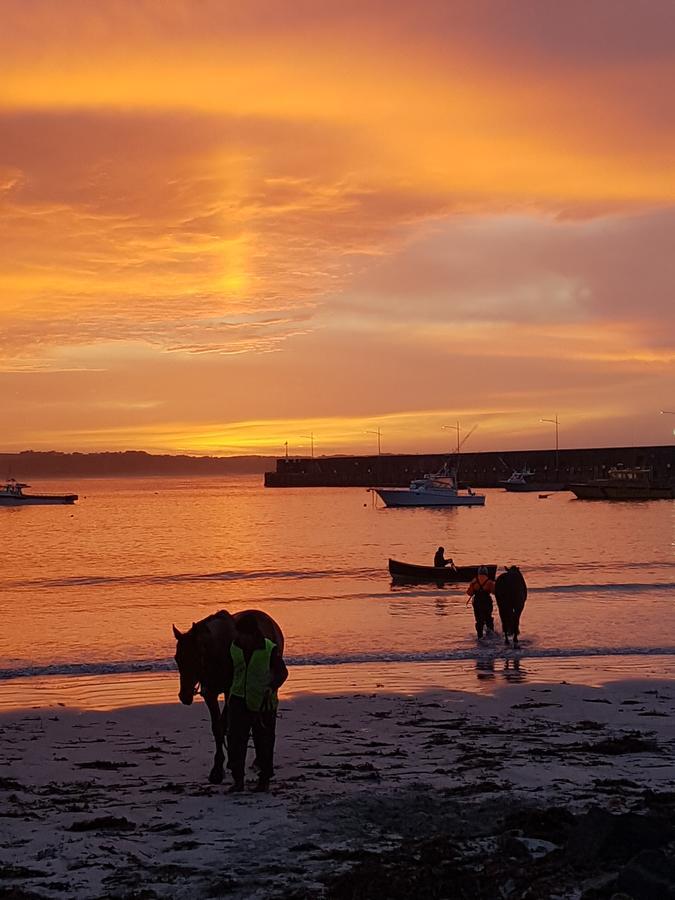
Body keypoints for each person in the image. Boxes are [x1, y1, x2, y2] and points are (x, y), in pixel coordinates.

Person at [224, 612, 288, 793]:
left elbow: (282, 673)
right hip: (238, 700)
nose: (238, 638)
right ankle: (238, 781)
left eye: (241, 634)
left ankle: (264, 780)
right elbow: (230, 673)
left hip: (264, 703)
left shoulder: (270, 649)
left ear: (251, 634)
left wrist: (272, 687)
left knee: (264, 743)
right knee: (236, 742)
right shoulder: (234, 648)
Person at [467, 565, 496, 638]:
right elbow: (494, 592)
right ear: (486, 572)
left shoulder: (474, 581)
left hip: (477, 602)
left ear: (478, 572)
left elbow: (469, 593)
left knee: (479, 620)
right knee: (488, 618)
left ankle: (480, 636)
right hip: (487, 602)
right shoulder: (489, 581)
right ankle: (490, 635)